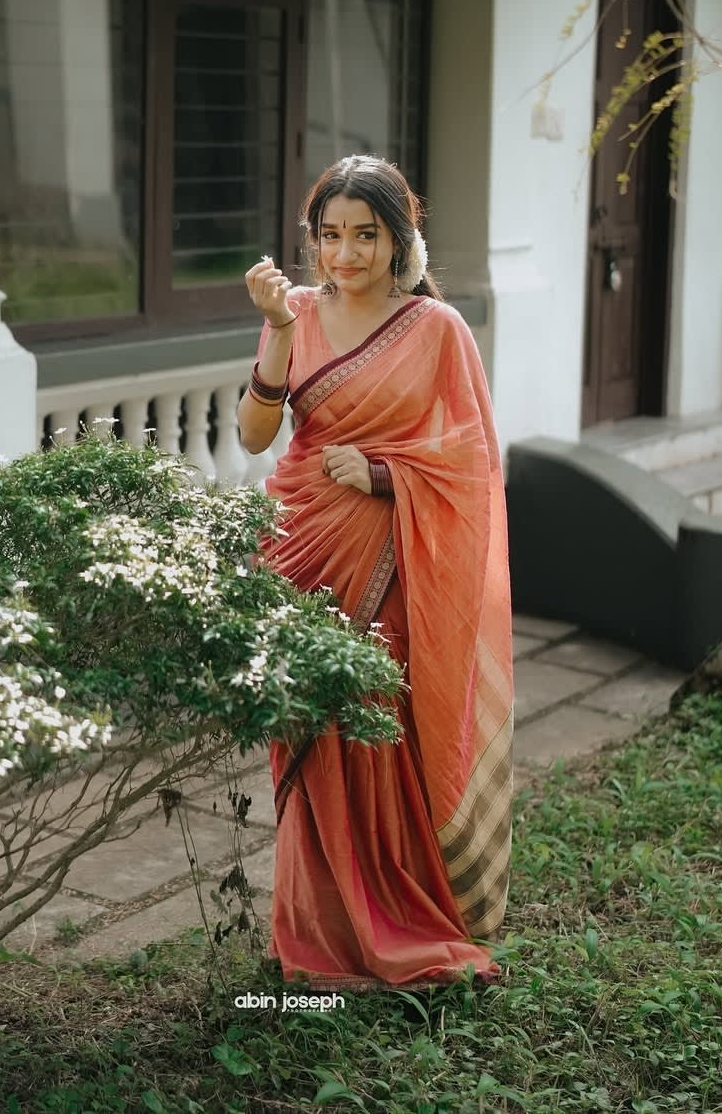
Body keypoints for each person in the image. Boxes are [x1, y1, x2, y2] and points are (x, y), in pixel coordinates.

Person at [237, 154, 514, 990]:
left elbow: (474, 461)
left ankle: (391, 922)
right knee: (307, 736)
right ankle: (315, 935)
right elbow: (255, 438)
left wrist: (389, 476)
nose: (346, 255)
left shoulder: (437, 330)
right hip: (302, 549)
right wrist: (278, 331)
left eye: (367, 235)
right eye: (330, 236)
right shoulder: (296, 314)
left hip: (395, 564)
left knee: (374, 733)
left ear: (401, 241)